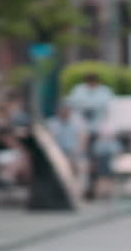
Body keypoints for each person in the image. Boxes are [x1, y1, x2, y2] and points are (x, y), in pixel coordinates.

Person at [65, 71, 114, 199]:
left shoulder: (104, 92)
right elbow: (73, 106)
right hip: (82, 132)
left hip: (98, 132)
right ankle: (86, 190)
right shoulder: (78, 91)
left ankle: (97, 189)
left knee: (99, 161)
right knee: (84, 162)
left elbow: (108, 111)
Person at [46, 103, 82, 174]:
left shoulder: (77, 121)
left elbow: (83, 139)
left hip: (74, 152)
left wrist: (76, 153)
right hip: (58, 153)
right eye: (61, 110)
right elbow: (50, 142)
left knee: (80, 163)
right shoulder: (51, 123)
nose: (64, 112)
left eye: (66, 110)